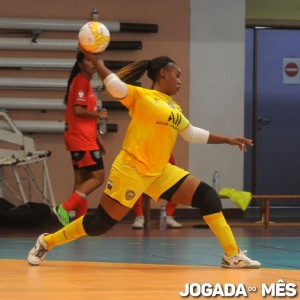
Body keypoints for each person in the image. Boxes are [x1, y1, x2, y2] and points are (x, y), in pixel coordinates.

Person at [28, 51, 261, 269]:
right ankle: (47, 242)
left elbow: (191, 134)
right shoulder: (142, 96)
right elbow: (116, 87)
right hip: (132, 169)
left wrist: (227, 139)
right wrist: (97, 62)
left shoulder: (174, 106)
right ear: (163, 73)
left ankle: (232, 255)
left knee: (208, 197)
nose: (180, 81)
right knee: (100, 224)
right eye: (176, 75)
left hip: (160, 171)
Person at [53, 51, 107, 226]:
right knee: (98, 177)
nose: (93, 63)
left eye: (95, 60)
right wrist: (99, 114)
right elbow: (78, 110)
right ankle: (65, 208)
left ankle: (79, 223)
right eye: (88, 60)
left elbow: (82, 116)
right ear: (80, 64)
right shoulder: (81, 82)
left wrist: (97, 138)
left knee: (82, 180)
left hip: (83, 138)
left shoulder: (85, 83)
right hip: (81, 139)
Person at [132, 154, 182, 229]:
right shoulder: (141, 150)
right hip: (144, 181)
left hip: (160, 182)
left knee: (178, 187)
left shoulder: (167, 150)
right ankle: (139, 217)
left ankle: (168, 216)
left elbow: (173, 168)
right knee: (135, 186)